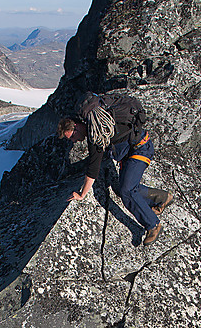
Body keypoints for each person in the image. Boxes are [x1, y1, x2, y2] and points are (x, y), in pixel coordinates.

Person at [58, 105, 173, 245]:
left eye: (73, 136)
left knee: (127, 191)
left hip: (140, 149)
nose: (74, 141)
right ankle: (161, 197)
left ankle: (153, 225)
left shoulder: (96, 133)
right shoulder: (95, 124)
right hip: (131, 151)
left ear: (76, 126)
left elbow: (93, 170)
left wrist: (82, 194)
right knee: (121, 189)